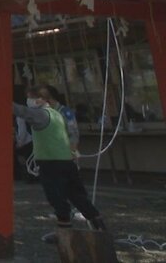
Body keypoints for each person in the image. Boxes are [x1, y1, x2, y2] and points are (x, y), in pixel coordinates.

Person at [14, 85, 106, 240]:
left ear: (42, 99)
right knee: (77, 196)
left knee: (57, 197)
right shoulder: (57, 114)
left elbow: (23, 112)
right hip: (65, 161)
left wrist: (1, 99)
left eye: (31, 98)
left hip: (51, 162)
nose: (29, 101)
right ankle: (99, 224)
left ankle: (65, 231)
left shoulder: (43, 114)